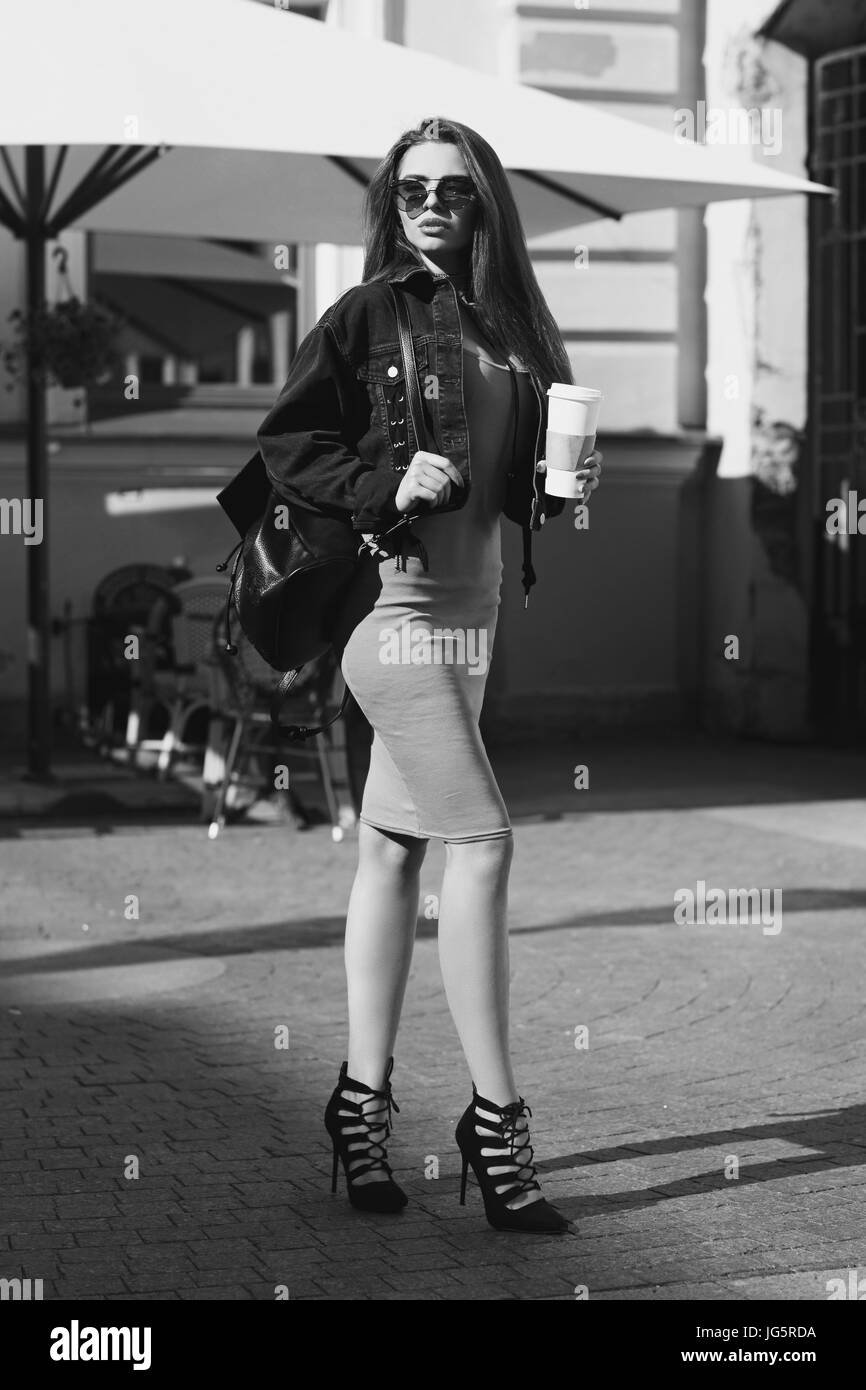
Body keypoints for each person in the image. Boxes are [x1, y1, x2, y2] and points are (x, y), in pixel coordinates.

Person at [257, 117, 602, 1233]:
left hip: (475, 616)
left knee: (394, 846)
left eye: (454, 189)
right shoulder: (366, 315)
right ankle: (496, 1125)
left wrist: (562, 485)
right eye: (411, 189)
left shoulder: (515, 331)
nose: (432, 204)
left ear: (485, 201)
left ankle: (358, 1109)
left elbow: (519, 495)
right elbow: (287, 442)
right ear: (391, 201)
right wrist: (381, 481)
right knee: (484, 842)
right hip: (391, 612)